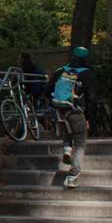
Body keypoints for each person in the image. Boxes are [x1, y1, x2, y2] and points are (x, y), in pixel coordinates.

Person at [47, 46, 96, 188]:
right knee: (80, 143)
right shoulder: (87, 74)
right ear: (86, 59)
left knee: (67, 130)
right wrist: (89, 118)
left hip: (59, 110)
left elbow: (47, 88)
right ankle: (72, 176)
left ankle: (67, 149)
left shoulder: (59, 71)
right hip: (76, 112)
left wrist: (53, 104)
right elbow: (92, 99)